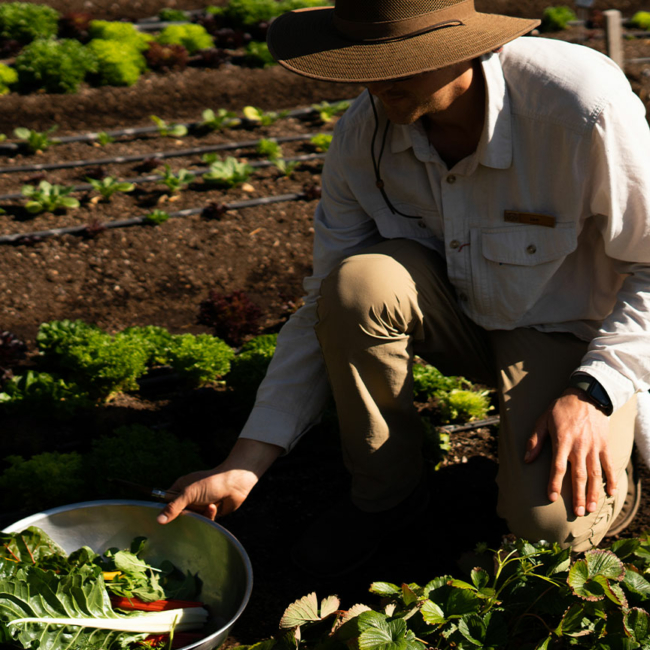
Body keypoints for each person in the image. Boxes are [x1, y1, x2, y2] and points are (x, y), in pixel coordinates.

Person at [158, 0, 650, 576]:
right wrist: (246, 460)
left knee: (549, 528)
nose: (379, 80)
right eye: (366, 61)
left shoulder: (577, 107)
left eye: (406, 60)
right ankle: (386, 498)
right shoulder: (364, 137)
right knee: (356, 283)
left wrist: (595, 392)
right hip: (461, 316)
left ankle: (617, 483)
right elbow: (325, 302)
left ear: (473, 47)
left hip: (570, 331)